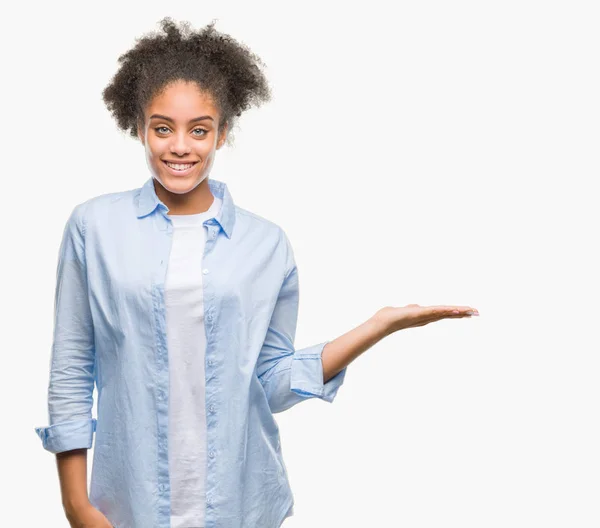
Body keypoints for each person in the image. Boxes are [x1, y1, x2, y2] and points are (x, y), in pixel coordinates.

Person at [34, 17, 480, 528]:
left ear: (223, 133)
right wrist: (77, 506)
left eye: (199, 129)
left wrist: (378, 326)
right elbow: (72, 364)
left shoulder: (266, 244)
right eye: (163, 128)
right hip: (126, 504)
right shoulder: (93, 226)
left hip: (241, 504)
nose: (181, 146)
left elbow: (268, 383)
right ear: (138, 127)